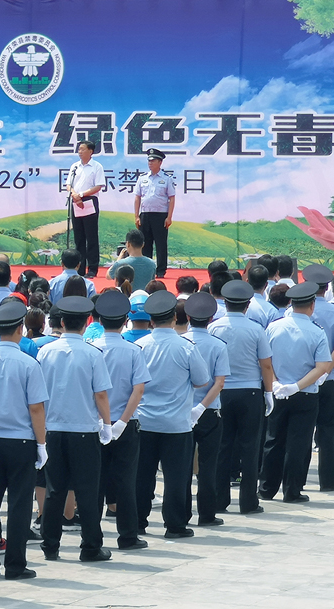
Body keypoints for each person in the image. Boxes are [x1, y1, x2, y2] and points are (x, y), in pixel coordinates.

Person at [36, 296, 113, 561]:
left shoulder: (45, 352)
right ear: (86, 322)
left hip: (53, 429)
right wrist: (107, 424)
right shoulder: (93, 353)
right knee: (87, 491)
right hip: (84, 430)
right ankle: (90, 546)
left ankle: (50, 544)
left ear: (62, 322)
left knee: (54, 490)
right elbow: (100, 394)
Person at [0, 302, 48, 579]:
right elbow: (36, 408)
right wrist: (41, 444)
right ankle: (15, 565)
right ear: (20, 329)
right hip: (21, 442)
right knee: (19, 505)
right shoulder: (29, 364)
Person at [135, 291, 211, 539]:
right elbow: (201, 381)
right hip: (176, 423)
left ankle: (138, 522)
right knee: (176, 477)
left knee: (142, 476)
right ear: (175, 318)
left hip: (144, 420)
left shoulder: (140, 346)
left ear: (151, 320)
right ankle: (175, 524)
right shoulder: (186, 347)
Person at [260, 282, 333, 503]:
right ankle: (292, 491)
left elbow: (265, 361)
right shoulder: (316, 332)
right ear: (312, 305)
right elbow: (322, 366)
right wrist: (297, 386)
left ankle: (266, 488)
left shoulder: (274, 327)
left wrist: (275, 383)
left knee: (273, 440)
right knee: (298, 443)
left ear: (291, 303)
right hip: (305, 394)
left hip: (278, 392)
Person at [91, 291, 151, 550]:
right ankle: (127, 535)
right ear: (126, 320)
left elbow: (92, 390)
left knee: (95, 483)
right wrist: (123, 422)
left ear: (99, 320)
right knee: (126, 482)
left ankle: (93, 538)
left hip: (96, 424)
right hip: (125, 424)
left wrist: (101, 421)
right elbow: (139, 389)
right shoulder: (133, 351)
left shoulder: (92, 349)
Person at [209, 280, 275, 515]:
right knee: (250, 448)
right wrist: (269, 392)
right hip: (250, 392)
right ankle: (248, 501)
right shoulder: (256, 329)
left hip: (222, 391)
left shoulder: (214, 327)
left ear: (225, 304)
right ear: (247, 305)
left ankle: (219, 500)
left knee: (222, 446)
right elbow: (266, 364)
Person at [183, 293, 230, 527]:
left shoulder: (181, 342)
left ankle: (182, 513)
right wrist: (202, 407)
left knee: (182, 466)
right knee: (208, 466)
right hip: (209, 411)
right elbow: (219, 383)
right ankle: (207, 513)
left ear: (188, 317)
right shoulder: (218, 345)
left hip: (183, 411)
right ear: (211, 319)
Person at [301, 264, 334, 491]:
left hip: (302, 380)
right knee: (328, 428)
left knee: (301, 430)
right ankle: (328, 480)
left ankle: (296, 482)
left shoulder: (296, 314)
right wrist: (326, 371)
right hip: (330, 379)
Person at [133, 148, 176, 278]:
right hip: (145, 214)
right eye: (149, 161)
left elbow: (172, 198)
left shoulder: (166, 179)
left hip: (160, 215)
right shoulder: (142, 178)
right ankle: (147, 269)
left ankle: (161, 270)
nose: (150, 163)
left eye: (153, 161)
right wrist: (136, 216)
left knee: (161, 244)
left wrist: (169, 217)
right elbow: (137, 197)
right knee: (145, 244)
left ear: (160, 162)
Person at [66, 141, 105, 278]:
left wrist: (81, 195)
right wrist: (74, 194)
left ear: (90, 151)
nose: (80, 152)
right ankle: (80, 268)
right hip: (75, 201)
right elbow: (68, 184)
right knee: (79, 237)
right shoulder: (75, 166)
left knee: (91, 236)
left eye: (83, 149)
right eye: (79, 149)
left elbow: (98, 186)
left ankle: (92, 268)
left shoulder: (97, 166)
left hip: (89, 201)